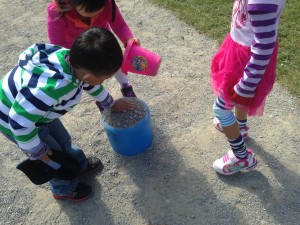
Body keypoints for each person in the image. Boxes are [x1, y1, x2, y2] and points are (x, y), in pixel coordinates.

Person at [0, 27, 133, 202]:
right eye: (105, 78)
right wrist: (36, 150)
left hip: (38, 112)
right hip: (16, 120)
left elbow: (90, 85)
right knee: (51, 157)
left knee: (62, 140)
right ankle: (64, 188)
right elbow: (19, 122)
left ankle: (79, 164)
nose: (104, 81)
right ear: (87, 75)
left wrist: (110, 103)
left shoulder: (73, 62)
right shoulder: (51, 89)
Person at [210, 0, 286, 175]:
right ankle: (241, 127)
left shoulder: (262, 2)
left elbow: (264, 46)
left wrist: (247, 85)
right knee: (234, 100)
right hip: (240, 50)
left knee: (221, 109)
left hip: (247, 61)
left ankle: (242, 157)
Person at [46, 0, 140, 112]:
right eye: (89, 10)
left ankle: (125, 85)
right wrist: (74, 58)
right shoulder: (58, 11)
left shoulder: (108, 3)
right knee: (90, 77)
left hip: (103, 42)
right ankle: (101, 98)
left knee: (114, 61)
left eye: (99, 10)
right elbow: (57, 42)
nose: (94, 14)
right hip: (80, 53)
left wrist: (128, 39)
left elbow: (119, 25)